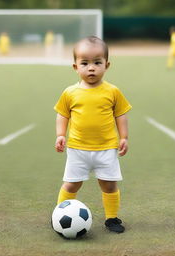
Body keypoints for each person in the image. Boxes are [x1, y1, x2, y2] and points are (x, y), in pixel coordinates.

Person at [54, 36, 132, 233]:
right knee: (72, 184)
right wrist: (60, 134)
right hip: (77, 149)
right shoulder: (70, 92)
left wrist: (124, 137)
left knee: (109, 184)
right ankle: (59, 214)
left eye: (97, 62)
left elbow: (121, 114)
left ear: (107, 65)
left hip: (106, 148)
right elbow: (62, 115)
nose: (91, 68)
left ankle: (112, 218)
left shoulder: (113, 91)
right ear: (75, 67)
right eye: (85, 63)